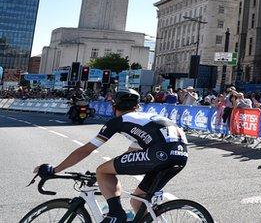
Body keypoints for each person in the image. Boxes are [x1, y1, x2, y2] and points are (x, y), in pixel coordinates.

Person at [35, 88, 188, 223]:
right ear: (137, 106)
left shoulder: (118, 121)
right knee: (138, 202)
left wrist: (55, 169)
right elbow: (131, 154)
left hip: (160, 153)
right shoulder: (145, 119)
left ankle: (116, 214)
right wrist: (109, 175)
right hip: (181, 155)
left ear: (114, 106)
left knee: (102, 170)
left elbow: (86, 150)